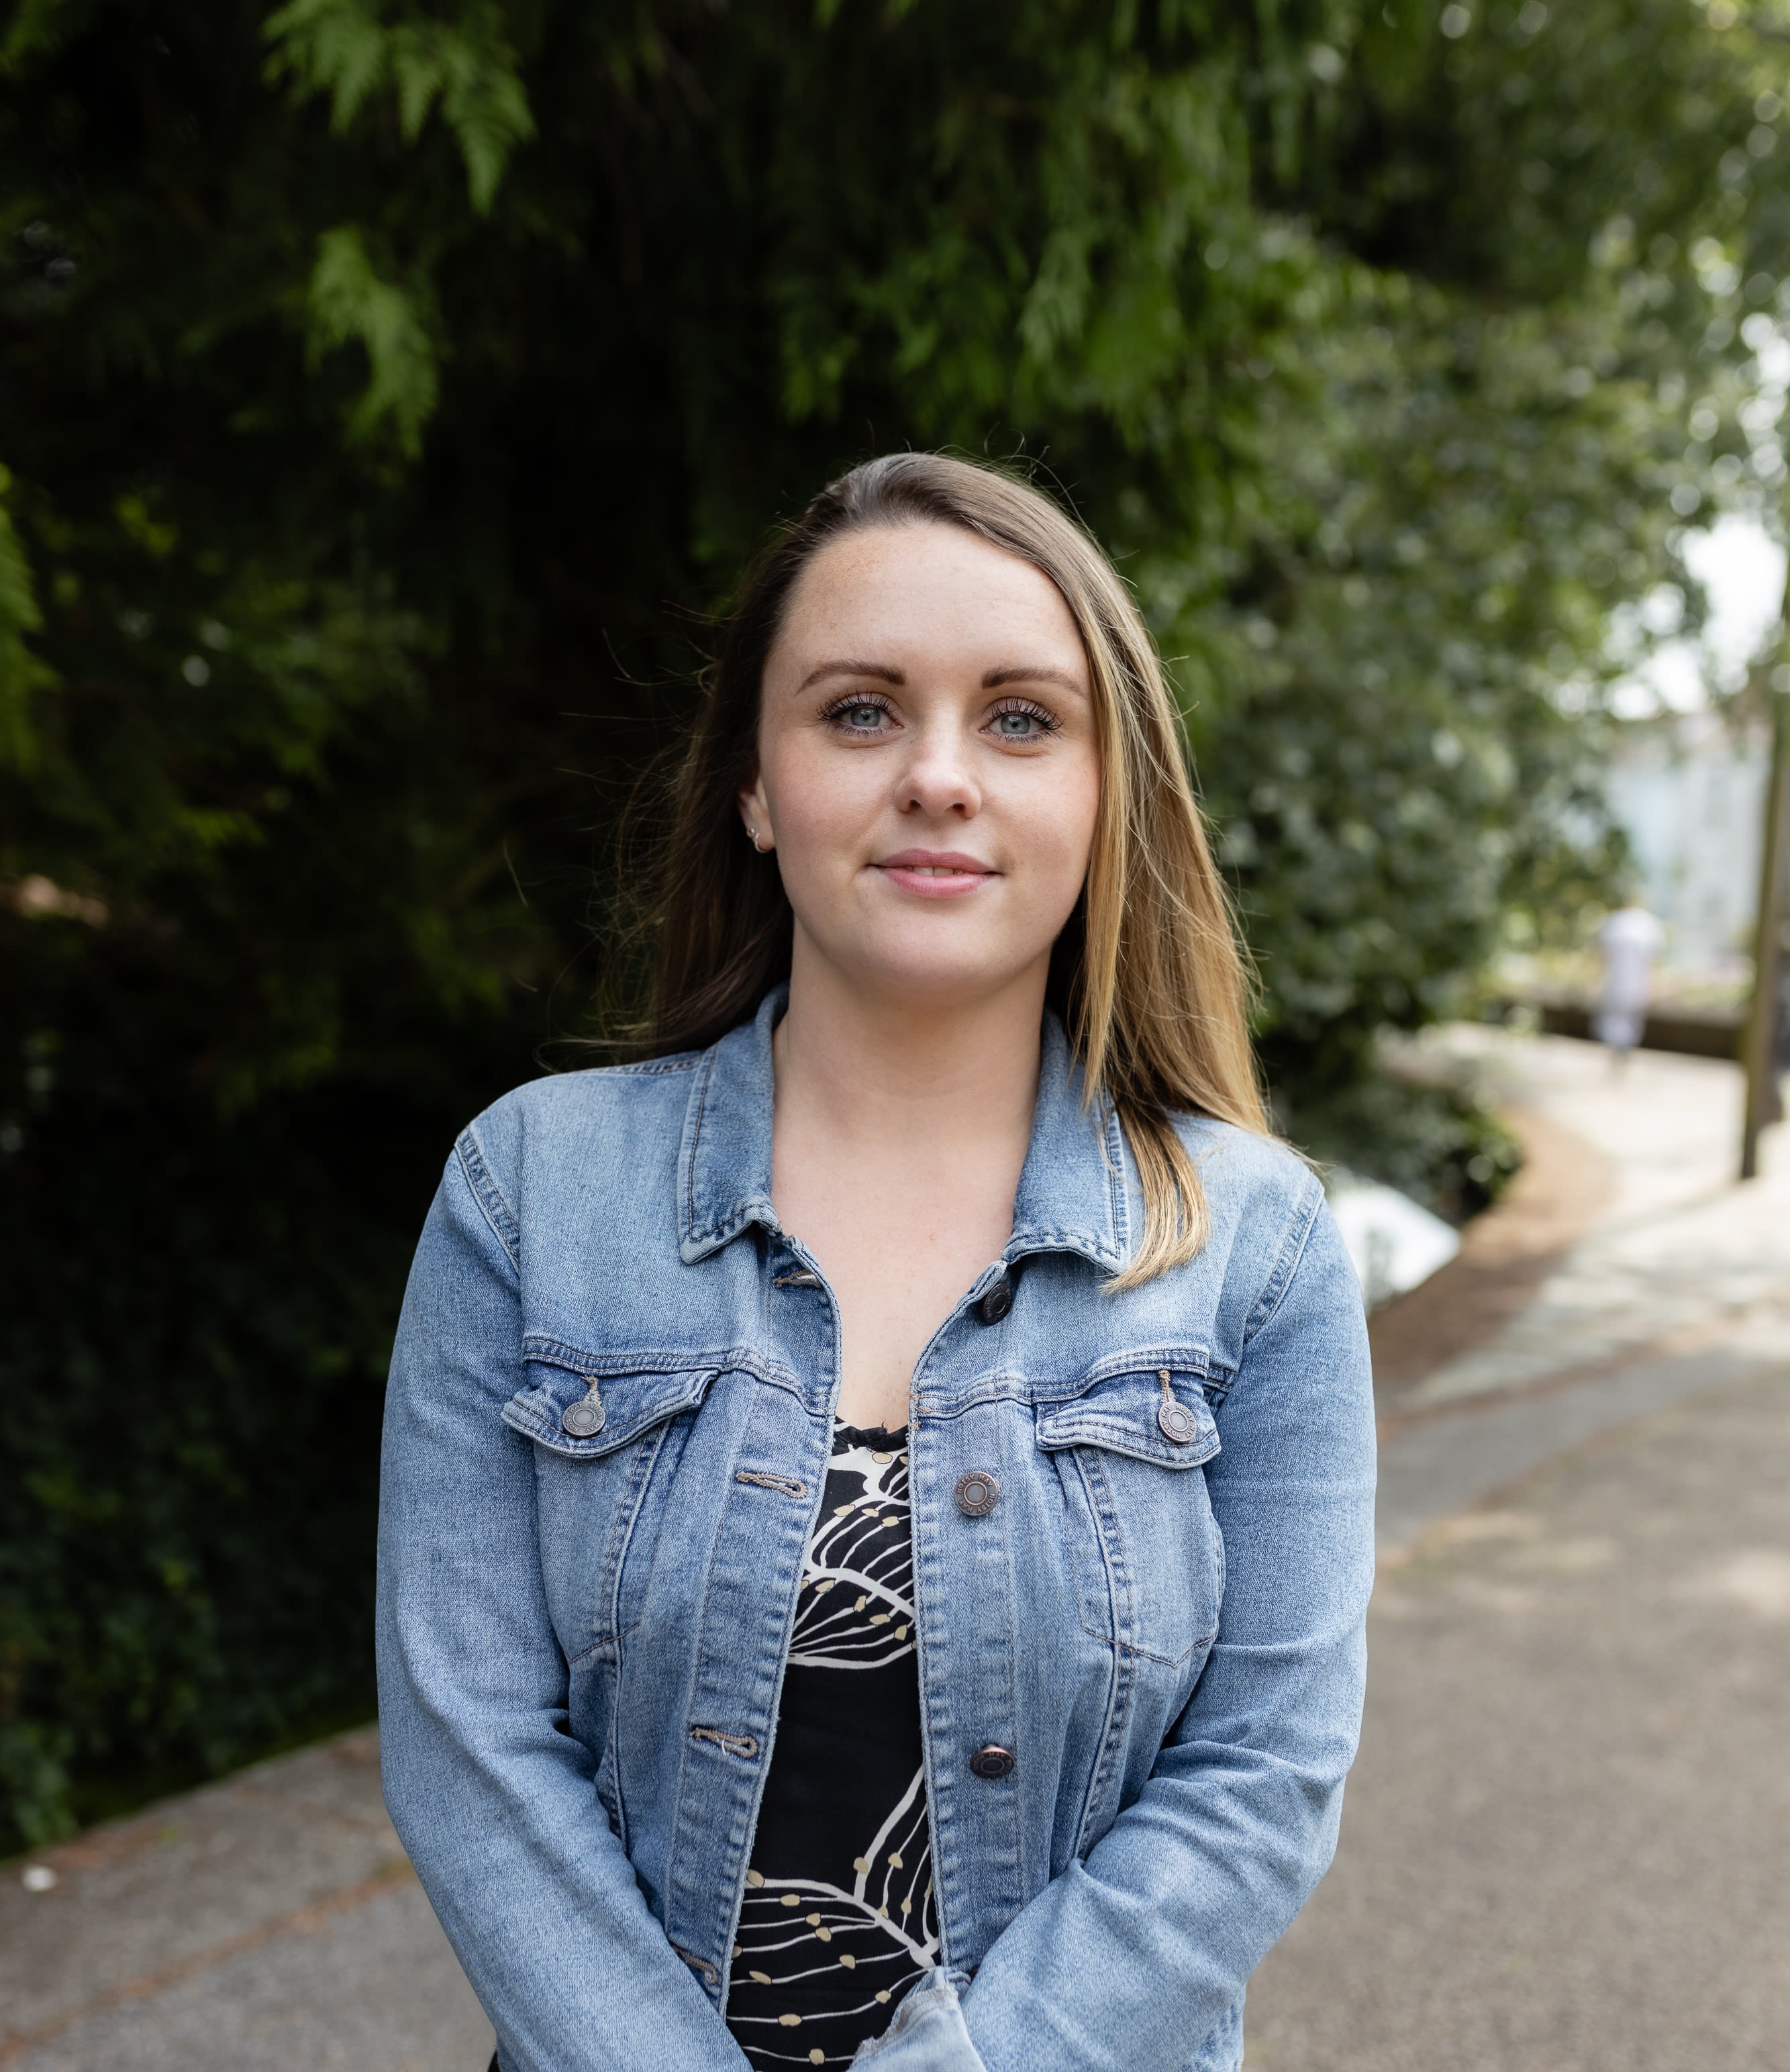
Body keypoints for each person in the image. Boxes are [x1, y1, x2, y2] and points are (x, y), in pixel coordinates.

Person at [377, 453, 1376, 2072]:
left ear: (1108, 795)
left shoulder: (1254, 1249)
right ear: (756, 788)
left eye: (1021, 718)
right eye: (858, 711)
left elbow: (1263, 1783)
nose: (938, 775)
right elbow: (466, 1747)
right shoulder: (528, 1194)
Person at [1593, 894, 1665, 1063]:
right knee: (1620, 1021)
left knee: (1623, 1021)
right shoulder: (1644, 923)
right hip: (1624, 982)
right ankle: (1619, 1052)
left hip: (1627, 983)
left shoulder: (1621, 922)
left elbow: (1601, 956)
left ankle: (1620, 1052)